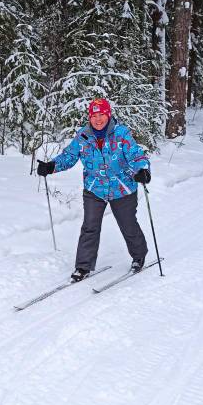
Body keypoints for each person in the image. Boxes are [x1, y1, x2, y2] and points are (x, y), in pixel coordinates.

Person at [37, 98, 151, 281]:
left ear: (108, 115)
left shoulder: (121, 133)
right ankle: (83, 266)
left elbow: (135, 155)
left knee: (127, 224)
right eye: (94, 116)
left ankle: (139, 256)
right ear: (90, 117)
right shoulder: (83, 136)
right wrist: (51, 166)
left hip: (121, 187)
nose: (98, 120)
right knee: (90, 226)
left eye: (102, 115)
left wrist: (143, 170)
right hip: (94, 187)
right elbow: (69, 156)